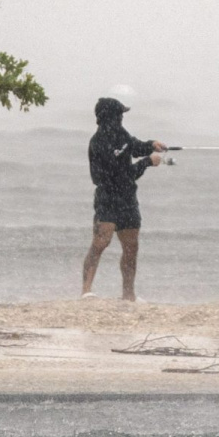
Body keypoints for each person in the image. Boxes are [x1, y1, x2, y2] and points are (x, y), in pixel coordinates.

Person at [80, 96, 165, 300]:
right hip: (107, 198)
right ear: (111, 116)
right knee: (101, 242)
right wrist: (147, 162)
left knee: (131, 247)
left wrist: (152, 145)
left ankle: (128, 295)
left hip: (127, 199)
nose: (121, 118)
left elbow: (133, 146)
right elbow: (123, 174)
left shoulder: (121, 134)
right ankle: (86, 291)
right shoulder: (98, 142)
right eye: (119, 114)